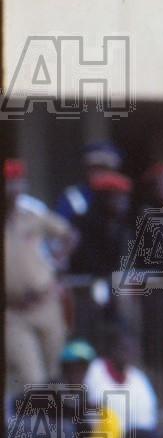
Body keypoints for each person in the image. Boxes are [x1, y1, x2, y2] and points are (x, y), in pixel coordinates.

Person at [5, 159, 76, 394]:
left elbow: (69, 234)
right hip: (14, 311)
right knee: (32, 381)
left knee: (55, 374)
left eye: (17, 183)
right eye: (8, 183)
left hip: (46, 303)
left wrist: (57, 262)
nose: (13, 189)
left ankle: (55, 418)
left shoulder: (32, 212)